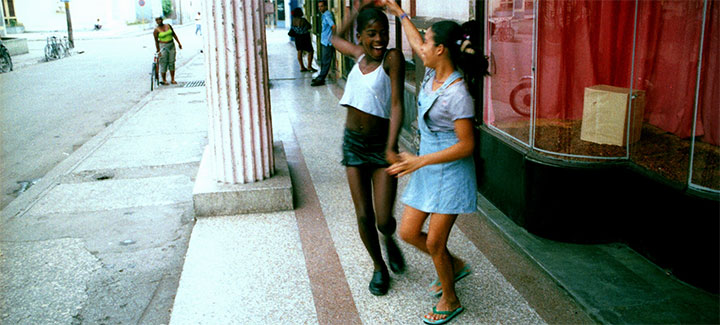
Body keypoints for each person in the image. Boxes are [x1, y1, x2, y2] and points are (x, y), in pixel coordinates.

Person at [382, 0, 488, 323]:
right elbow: (414, 40)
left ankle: (450, 298)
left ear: (440, 50)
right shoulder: (432, 72)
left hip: (451, 172)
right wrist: (398, 11)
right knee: (409, 232)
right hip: (428, 166)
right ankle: (454, 266)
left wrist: (419, 161)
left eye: (428, 42)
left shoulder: (457, 93)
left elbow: (467, 145)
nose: (421, 46)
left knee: (435, 241)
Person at [330, 1, 406, 295]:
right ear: (360, 35)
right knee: (363, 215)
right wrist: (358, 7)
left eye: (383, 32)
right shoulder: (358, 54)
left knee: (384, 219)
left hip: (381, 146)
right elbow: (335, 38)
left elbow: (398, 104)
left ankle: (389, 238)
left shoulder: (392, 58)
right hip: (353, 145)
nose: (379, 40)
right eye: (371, 33)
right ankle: (379, 267)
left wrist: (390, 147)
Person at [311, 0, 335, 86]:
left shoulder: (327, 15)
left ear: (325, 6)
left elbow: (333, 26)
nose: (320, 8)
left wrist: (334, 38)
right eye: (319, 6)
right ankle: (320, 77)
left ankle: (321, 79)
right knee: (323, 61)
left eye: (321, 6)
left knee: (326, 61)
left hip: (327, 42)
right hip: (324, 41)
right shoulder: (323, 15)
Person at [153, 16, 183, 85]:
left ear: (162, 20)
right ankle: (164, 80)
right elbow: (156, 41)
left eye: (159, 20)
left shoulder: (168, 26)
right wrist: (158, 51)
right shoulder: (156, 30)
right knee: (163, 62)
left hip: (171, 45)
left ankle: (172, 79)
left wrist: (179, 43)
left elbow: (174, 34)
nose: (159, 21)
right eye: (157, 20)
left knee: (172, 62)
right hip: (163, 46)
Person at [290, 8, 317, 72]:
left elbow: (293, 28)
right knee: (310, 51)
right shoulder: (303, 20)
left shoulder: (293, 20)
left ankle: (302, 67)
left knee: (299, 51)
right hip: (305, 37)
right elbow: (309, 26)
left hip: (297, 38)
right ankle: (309, 66)